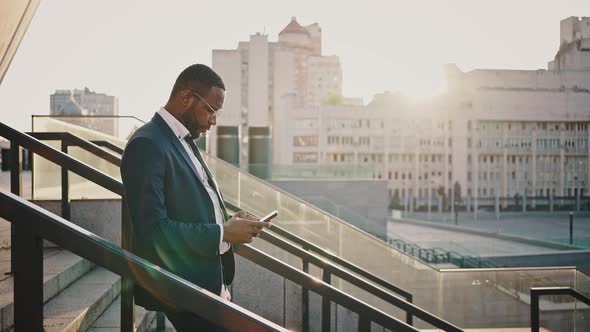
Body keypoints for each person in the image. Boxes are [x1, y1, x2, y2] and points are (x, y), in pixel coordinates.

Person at [121, 64, 270, 331]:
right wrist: (222, 233)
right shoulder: (147, 144)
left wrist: (229, 221)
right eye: (211, 110)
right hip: (183, 287)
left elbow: (190, 204)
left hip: (209, 281)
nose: (214, 120)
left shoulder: (182, 140)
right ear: (186, 98)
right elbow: (151, 231)